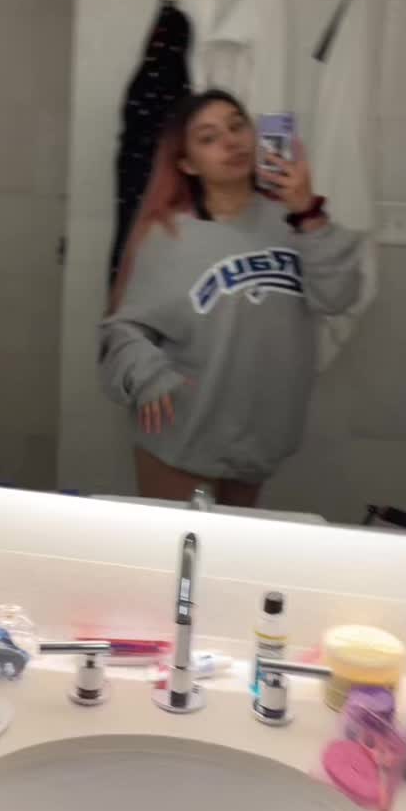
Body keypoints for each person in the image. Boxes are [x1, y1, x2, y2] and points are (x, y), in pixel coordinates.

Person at [99, 90, 363, 507]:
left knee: (233, 546)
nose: (230, 141)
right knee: (178, 547)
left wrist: (308, 212)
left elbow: (338, 298)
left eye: (237, 126)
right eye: (209, 137)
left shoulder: (295, 221)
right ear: (187, 164)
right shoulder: (169, 235)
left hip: (258, 438)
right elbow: (123, 329)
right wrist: (148, 376)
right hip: (182, 431)